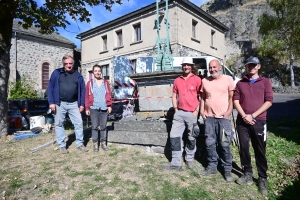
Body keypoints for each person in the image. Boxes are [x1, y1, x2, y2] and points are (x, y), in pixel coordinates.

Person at [233, 56, 273, 195]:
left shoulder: (265, 82)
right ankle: (247, 173)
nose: (251, 67)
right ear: (246, 66)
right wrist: (244, 116)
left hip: (259, 121)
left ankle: (262, 178)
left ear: (259, 66)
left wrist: (253, 115)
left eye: (254, 65)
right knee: (244, 147)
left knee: (259, 150)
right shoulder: (240, 83)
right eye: (249, 65)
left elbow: (268, 101)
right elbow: (236, 101)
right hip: (242, 122)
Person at [162, 57, 202, 170]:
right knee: (174, 136)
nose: (186, 67)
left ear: (192, 66)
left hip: (192, 113)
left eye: (188, 65)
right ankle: (176, 163)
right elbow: (174, 95)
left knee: (191, 137)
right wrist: (175, 109)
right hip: (179, 113)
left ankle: (189, 159)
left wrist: (196, 111)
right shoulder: (177, 80)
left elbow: (201, 97)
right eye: (184, 65)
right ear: (182, 66)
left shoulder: (197, 79)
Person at [200, 59, 234, 182]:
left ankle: (227, 169)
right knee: (209, 143)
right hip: (209, 118)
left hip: (223, 119)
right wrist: (202, 111)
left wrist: (228, 111)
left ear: (220, 67)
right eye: (210, 67)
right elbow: (203, 98)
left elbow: (232, 97)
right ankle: (212, 166)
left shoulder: (228, 79)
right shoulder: (205, 81)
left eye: (214, 67)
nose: (212, 70)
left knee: (224, 143)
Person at [48, 55, 88, 154]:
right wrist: (51, 102)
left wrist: (82, 104)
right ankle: (62, 146)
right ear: (63, 64)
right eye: (66, 64)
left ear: (73, 64)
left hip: (74, 103)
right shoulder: (57, 73)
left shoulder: (78, 75)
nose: (68, 65)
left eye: (70, 63)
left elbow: (83, 90)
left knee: (78, 123)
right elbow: (50, 88)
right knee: (59, 124)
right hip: (59, 103)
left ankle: (80, 144)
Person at [85, 65, 112, 152]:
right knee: (94, 126)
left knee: (103, 126)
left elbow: (109, 94)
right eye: (95, 71)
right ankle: (95, 143)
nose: (97, 72)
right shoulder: (90, 83)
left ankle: (103, 143)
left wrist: (109, 105)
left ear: (101, 72)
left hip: (104, 108)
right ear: (93, 72)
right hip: (93, 108)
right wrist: (87, 108)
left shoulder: (106, 82)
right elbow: (86, 96)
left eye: (99, 71)